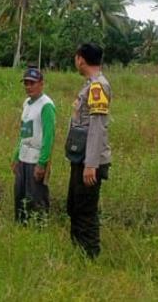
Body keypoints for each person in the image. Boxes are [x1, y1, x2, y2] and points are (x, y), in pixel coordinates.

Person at [65, 43, 112, 258]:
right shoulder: (90, 85)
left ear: (80, 59)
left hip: (89, 160)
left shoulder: (97, 87)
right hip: (81, 157)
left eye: (76, 58)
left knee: (85, 210)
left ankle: (90, 256)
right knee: (74, 206)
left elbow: (97, 126)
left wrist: (91, 164)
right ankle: (78, 253)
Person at [11, 66, 56, 224]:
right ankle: (21, 227)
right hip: (23, 156)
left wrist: (42, 163)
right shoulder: (27, 103)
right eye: (26, 83)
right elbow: (24, 132)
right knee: (20, 196)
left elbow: (49, 137)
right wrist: (16, 156)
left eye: (32, 83)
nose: (28, 87)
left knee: (36, 198)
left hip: (36, 158)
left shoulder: (46, 105)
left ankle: (39, 227)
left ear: (41, 84)